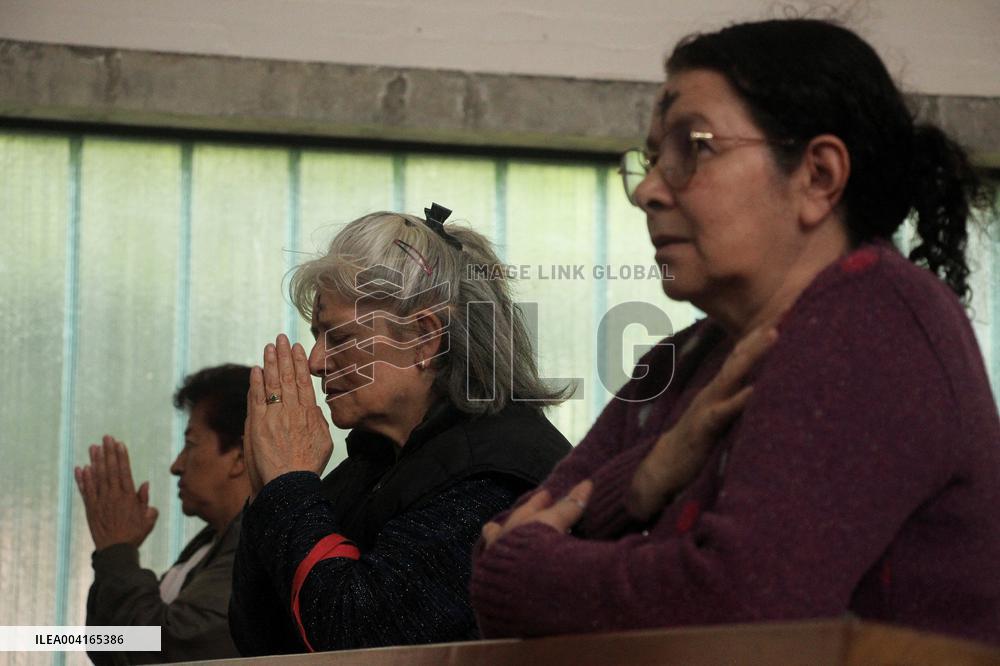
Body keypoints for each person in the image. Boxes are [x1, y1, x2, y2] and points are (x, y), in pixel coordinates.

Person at [470, 18, 1000, 645]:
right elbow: (498, 544)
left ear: (818, 176)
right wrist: (641, 479)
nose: (647, 191)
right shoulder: (684, 358)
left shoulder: (874, 319)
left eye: (693, 148)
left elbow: (739, 607)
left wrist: (527, 572)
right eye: (652, 158)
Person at [229, 204, 572, 654]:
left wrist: (290, 487)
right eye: (317, 337)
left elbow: (363, 641)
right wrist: (268, 493)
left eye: (340, 337)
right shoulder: (372, 467)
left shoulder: (495, 475)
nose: (316, 362)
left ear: (424, 338)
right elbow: (262, 638)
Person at [76, 364, 252, 664]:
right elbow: (107, 647)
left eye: (190, 445)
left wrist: (117, 552)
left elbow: (163, 650)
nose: (176, 466)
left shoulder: (253, 553)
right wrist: (111, 555)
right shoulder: (208, 545)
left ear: (239, 456)